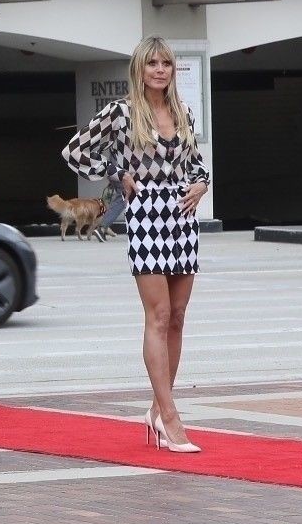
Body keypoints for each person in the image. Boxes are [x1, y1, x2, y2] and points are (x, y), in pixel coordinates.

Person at [62, 36, 210, 453]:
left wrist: (202, 183)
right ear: (139, 69)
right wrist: (116, 174)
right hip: (146, 215)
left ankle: (157, 410)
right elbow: (74, 152)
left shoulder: (183, 112)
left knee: (177, 317)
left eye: (166, 63)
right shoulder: (121, 113)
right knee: (158, 316)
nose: (160, 70)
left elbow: (195, 163)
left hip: (182, 216)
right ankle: (171, 417)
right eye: (152, 63)